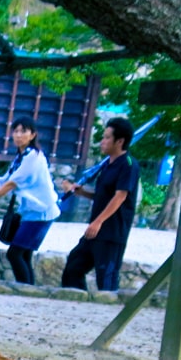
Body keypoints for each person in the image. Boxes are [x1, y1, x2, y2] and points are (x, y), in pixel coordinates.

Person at [0, 116, 60, 285]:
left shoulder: (33, 157)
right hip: (31, 212)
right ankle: (29, 290)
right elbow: (2, 181)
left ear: (32, 135)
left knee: (15, 253)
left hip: (42, 212)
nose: (19, 135)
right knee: (24, 254)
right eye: (16, 131)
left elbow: (11, 184)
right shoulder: (21, 157)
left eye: (24, 131)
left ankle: (26, 290)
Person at [60, 117, 139, 292]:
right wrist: (80, 192)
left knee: (106, 278)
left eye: (107, 138)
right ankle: (77, 305)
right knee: (74, 266)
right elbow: (102, 196)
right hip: (95, 230)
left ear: (119, 141)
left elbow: (120, 196)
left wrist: (98, 222)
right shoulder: (107, 165)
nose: (102, 142)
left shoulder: (129, 165)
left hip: (112, 232)